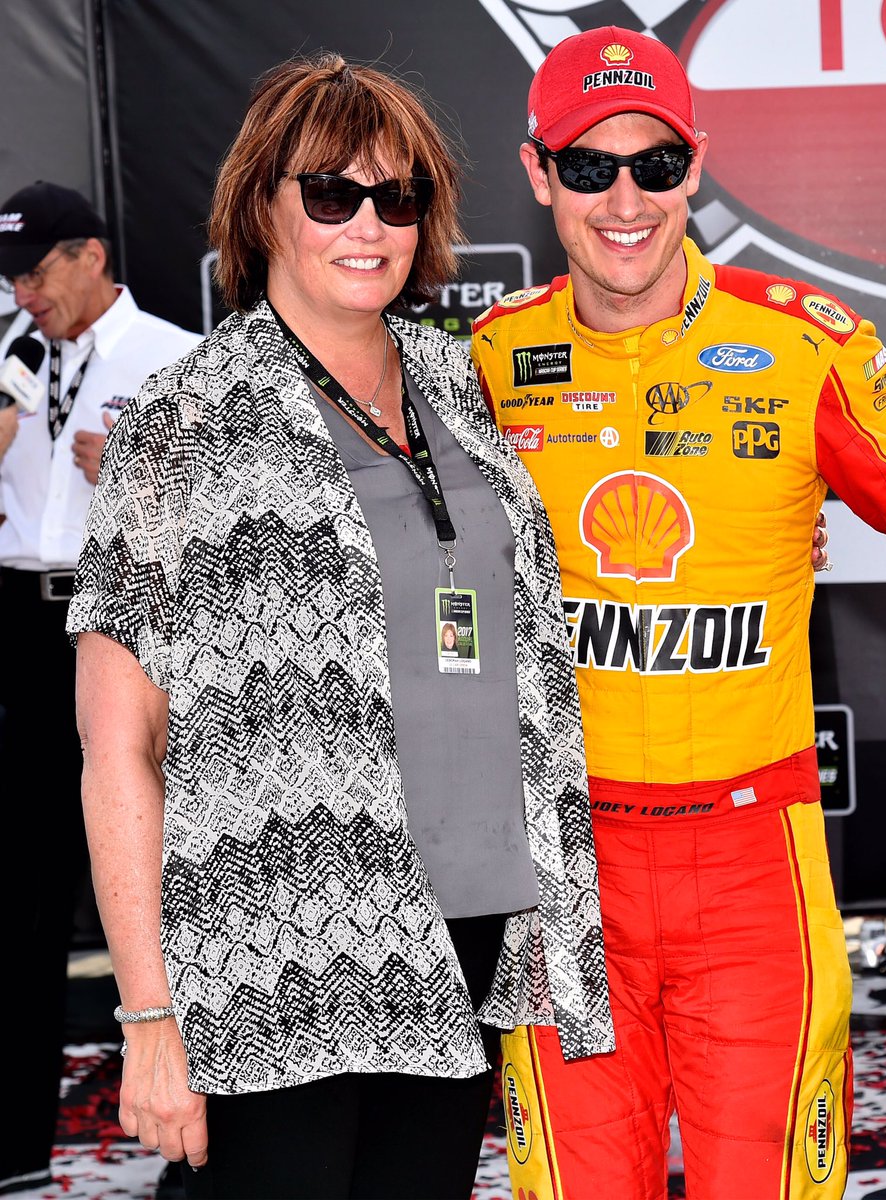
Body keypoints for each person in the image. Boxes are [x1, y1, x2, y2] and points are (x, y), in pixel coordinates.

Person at [469, 24, 886, 1200]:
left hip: (750, 867)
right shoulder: (474, 362)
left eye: (656, 166)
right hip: (559, 868)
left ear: (697, 165)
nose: (625, 200)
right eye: (588, 167)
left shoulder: (799, 346)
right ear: (536, 173)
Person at [65, 53, 613, 1200]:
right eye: (332, 194)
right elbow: (119, 745)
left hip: (461, 917)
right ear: (262, 203)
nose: (369, 224)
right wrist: (150, 1013)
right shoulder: (181, 424)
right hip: (282, 946)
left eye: (397, 197)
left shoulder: (455, 383)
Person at [0, 180, 201, 1197]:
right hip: (23, 625)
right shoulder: (11, 358)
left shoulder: (171, 353)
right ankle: (14, 1147)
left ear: (91, 255)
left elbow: (235, 509)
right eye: (10, 276)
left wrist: (143, 467)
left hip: (133, 623)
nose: (24, 292)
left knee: (164, 883)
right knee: (22, 888)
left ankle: (197, 1135)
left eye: (36, 269)